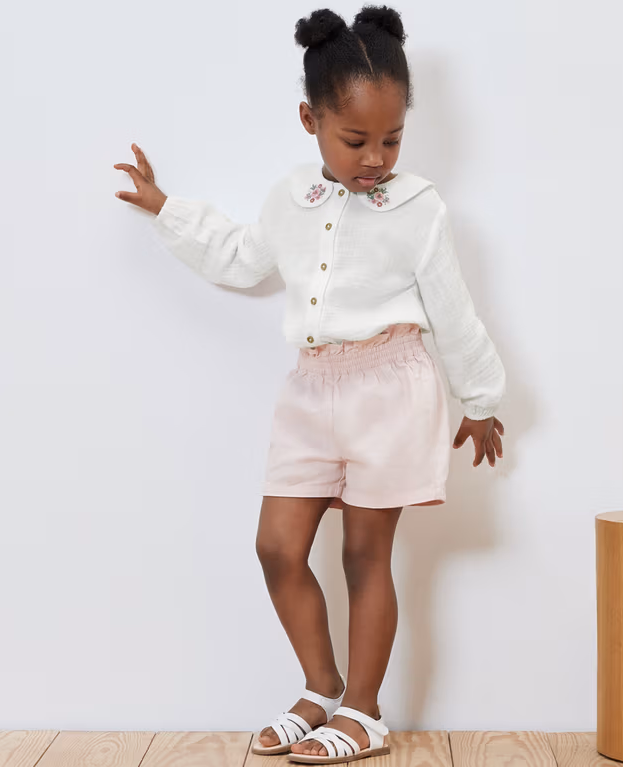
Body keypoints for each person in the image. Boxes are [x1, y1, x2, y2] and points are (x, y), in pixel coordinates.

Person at [113, 4, 506, 763]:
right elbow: (242, 257)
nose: (376, 157)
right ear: (310, 120)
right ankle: (322, 687)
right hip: (311, 390)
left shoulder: (418, 209)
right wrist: (168, 210)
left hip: (391, 389)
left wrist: (482, 399)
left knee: (364, 554)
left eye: (392, 138)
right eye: (356, 139)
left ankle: (364, 711)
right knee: (276, 546)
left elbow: (453, 311)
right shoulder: (290, 198)